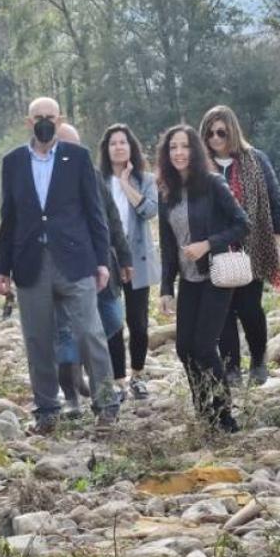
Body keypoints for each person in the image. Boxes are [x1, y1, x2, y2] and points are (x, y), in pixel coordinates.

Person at [0, 97, 120, 435]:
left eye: (50, 117)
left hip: (76, 261)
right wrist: (1, 267)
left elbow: (95, 213)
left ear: (59, 119)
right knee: (37, 339)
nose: (44, 122)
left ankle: (106, 404)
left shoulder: (77, 158)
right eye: (38, 117)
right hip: (30, 264)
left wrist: (102, 261)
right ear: (28, 122)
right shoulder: (13, 162)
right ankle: (47, 411)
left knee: (90, 333)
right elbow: (9, 218)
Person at [155, 125, 249, 433]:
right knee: (184, 348)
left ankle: (224, 416)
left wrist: (208, 243)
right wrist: (166, 288)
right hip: (189, 279)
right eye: (173, 148)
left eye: (184, 147)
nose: (179, 153)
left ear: (195, 151)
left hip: (215, 275)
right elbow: (168, 245)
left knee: (205, 347)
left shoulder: (212, 183)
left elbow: (242, 224)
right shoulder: (166, 191)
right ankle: (204, 411)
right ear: (166, 155)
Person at [199, 105, 280, 387]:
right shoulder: (200, 165)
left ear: (232, 132)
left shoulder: (255, 160)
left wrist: (275, 237)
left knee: (250, 308)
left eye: (221, 133)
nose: (215, 138)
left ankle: (258, 361)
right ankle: (231, 368)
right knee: (223, 312)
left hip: (251, 245)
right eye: (210, 133)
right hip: (215, 248)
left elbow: (274, 198)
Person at [51, 123, 130, 417]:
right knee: (66, 332)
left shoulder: (93, 176)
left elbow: (109, 220)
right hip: (64, 269)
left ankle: (98, 385)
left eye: (76, 146)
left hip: (99, 265)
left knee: (111, 320)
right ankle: (73, 395)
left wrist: (124, 258)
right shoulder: (43, 179)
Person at [98, 123, 161, 400]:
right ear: (106, 149)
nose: (119, 147)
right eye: (113, 143)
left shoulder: (145, 179)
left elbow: (149, 211)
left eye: (123, 142)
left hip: (138, 256)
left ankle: (137, 375)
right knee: (112, 320)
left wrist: (125, 183)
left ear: (131, 146)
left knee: (138, 322)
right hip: (107, 258)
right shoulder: (96, 179)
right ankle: (118, 380)